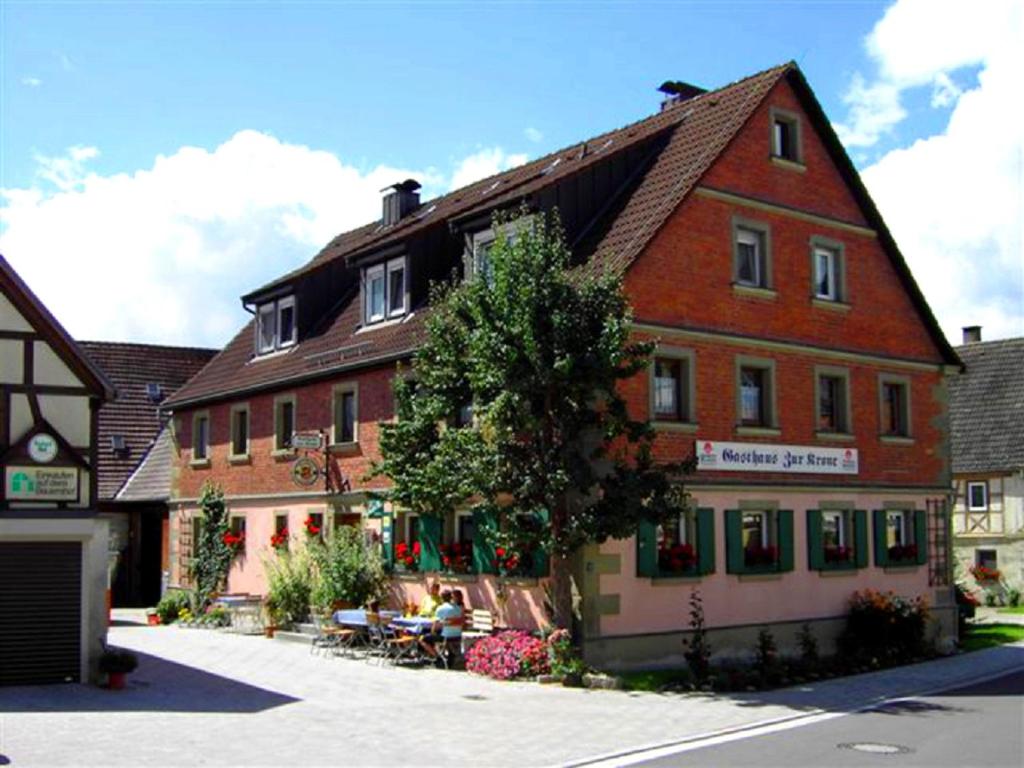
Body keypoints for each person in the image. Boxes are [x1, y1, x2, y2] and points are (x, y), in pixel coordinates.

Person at [419, 589, 462, 662]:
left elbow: (435, 625)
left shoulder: (440, 608)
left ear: (442, 598)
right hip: (457, 635)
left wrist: (432, 632)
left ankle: (437, 657)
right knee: (435, 635)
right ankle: (444, 655)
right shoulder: (458, 608)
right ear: (451, 598)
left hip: (446, 636)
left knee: (423, 639)